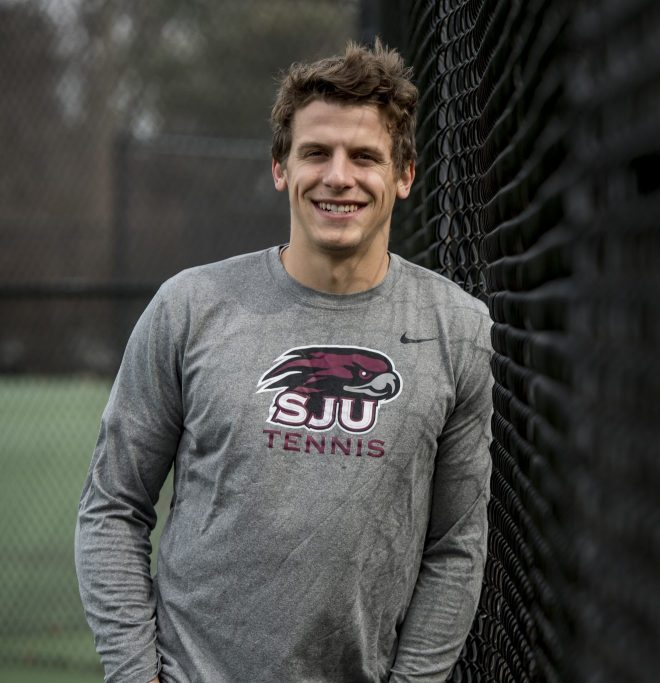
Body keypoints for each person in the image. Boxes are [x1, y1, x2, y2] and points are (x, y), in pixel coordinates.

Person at [75, 40, 493, 683]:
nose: (338, 176)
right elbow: (113, 504)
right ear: (280, 167)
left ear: (405, 175)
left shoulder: (459, 331)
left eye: (365, 157)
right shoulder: (190, 307)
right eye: (315, 153)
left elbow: (455, 547)